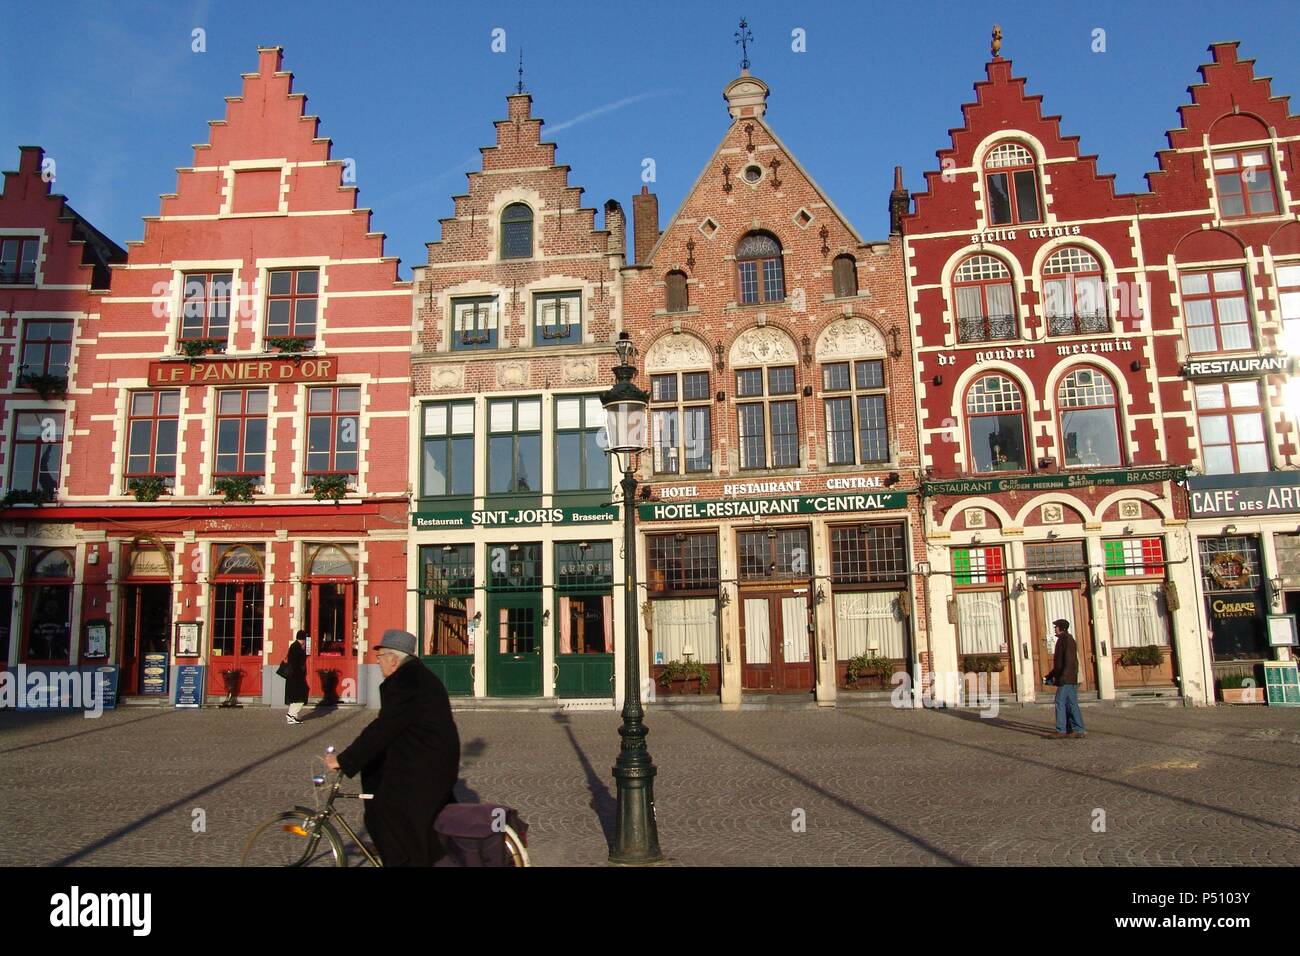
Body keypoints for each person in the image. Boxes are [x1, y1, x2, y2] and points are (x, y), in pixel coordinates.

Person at [324, 629, 461, 866]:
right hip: (426, 759)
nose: (377, 662)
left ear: (394, 659)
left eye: (380, 657)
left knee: (391, 811)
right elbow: (392, 726)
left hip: (427, 766)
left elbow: (384, 728)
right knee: (384, 802)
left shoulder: (407, 681)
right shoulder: (413, 676)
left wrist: (345, 760)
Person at [1044, 618, 1086, 738]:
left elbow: (1069, 661)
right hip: (1069, 677)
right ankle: (1078, 729)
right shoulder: (1064, 640)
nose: (1054, 629)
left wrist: (1063, 676)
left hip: (1067, 678)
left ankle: (1061, 729)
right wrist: (1050, 675)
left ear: (1061, 628)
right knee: (1072, 703)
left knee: (1060, 701)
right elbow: (1060, 664)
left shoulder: (1066, 640)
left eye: (1056, 627)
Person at [284, 630, 309, 725]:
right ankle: (292, 715)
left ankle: (291, 715)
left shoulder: (295, 646)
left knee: (296, 697)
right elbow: (296, 664)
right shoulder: (297, 647)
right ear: (303, 639)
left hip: (294, 677)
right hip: (296, 677)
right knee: (301, 696)